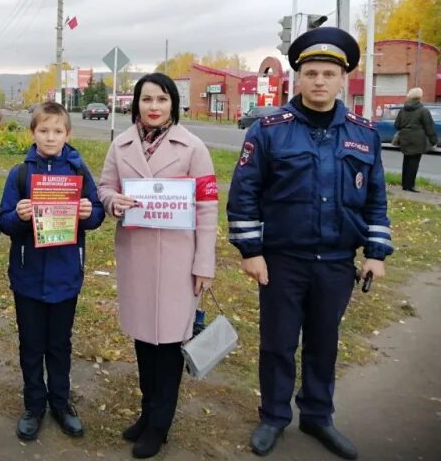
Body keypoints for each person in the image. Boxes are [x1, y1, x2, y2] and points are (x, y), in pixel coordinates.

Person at [227, 27, 393, 460]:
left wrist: (375, 253)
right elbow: (244, 195)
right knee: (278, 343)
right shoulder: (268, 130)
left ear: (342, 81)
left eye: (328, 74)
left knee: (324, 341)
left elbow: (376, 197)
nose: (319, 81)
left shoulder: (364, 134)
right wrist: (251, 252)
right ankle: (274, 416)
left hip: (337, 261)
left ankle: (318, 417)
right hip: (283, 260)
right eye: (311, 73)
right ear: (297, 79)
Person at [98, 73, 218, 459]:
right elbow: (104, 187)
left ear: (173, 104)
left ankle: (160, 426)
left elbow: (207, 207)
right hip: (137, 255)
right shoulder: (121, 143)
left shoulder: (193, 147)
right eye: (146, 99)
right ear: (136, 103)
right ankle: (147, 413)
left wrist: (204, 263)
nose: (153, 106)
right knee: (143, 340)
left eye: (162, 99)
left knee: (168, 343)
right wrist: (113, 202)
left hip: (178, 261)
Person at [0, 102, 105, 441]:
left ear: (67, 135)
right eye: (43, 130)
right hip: (28, 278)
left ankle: (60, 403)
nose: (50, 137)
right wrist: (19, 215)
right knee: (31, 345)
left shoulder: (77, 171)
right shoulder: (20, 173)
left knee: (59, 345)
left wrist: (89, 212)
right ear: (33, 134)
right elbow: (4, 222)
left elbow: (97, 214)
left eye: (57, 131)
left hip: (64, 276)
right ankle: (34, 405)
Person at [394, 87, 437, 192]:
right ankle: (410, 186)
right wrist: (433, 141)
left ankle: (405, 185)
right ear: (419, 97)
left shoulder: (402, 110)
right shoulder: (423, 111)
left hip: (405, 139)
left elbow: (397, 125)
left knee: (406, 161)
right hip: (417, 140)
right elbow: (429, 127)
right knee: (414, 163)